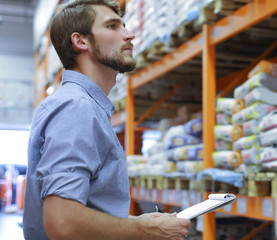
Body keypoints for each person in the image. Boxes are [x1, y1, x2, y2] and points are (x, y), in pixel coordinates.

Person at [23, 0, 190, 239]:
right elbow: (63, 222)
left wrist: (134, 221)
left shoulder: (84, 106)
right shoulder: (76, 108)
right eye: (113, 27)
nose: (129, 35)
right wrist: (145, 230)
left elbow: (86, 208)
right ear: (80, 41)